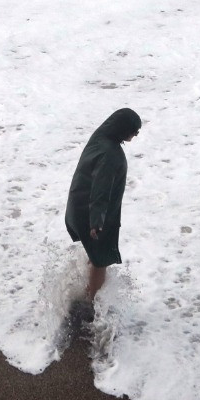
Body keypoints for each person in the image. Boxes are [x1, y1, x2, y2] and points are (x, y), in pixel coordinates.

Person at [64, 107, 140, 300]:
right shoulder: (110, 154)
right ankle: (91, 303)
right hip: (92, 214)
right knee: (101, 260)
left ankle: (86, 288)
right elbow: (101, 189)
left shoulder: (100, 137)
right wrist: (97, 222)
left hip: (78, 205)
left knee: (96, 254)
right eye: (134, 130)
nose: (136, 134)